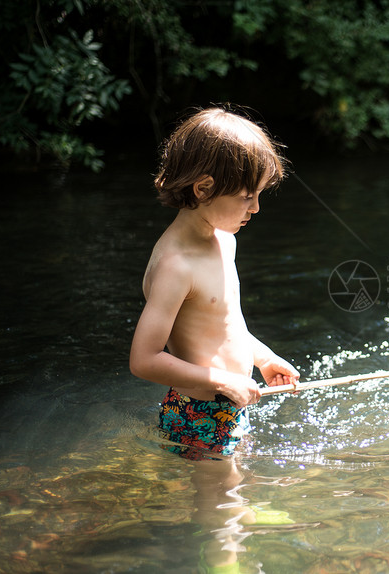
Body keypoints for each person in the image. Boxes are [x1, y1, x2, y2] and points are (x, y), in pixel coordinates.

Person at [129, 107, 299, 572]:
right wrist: (222, 381)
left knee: (229, 477)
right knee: (215, 500)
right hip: (201, 409)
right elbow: (143, 360)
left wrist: (263, 358)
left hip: (226, 399)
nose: (256, 209)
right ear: (204, 189)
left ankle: (235, 509)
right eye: (247, 197)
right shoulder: (176, 265)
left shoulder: (224, 239)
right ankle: (223, 554)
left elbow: (227, 322)